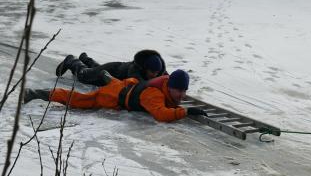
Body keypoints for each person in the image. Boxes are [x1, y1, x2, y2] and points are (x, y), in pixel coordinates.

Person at [24, 69, 208, 122]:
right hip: (112, 96)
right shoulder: (154, 95)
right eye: (180, 91)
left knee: (108, 78)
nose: (183, 95)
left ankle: (102, 74)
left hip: (124, 85)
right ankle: (38, 93)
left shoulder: (167, 85)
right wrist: (185, 111)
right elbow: (160, 114)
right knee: (80, 100)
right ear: (171, 87)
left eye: (185, 91)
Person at [55, 49, 167, 86]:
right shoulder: (135, 70)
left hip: (114, 70)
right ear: (145, 68)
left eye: (157, 72)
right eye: (152, 72)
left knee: (95, 68)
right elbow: (141, 86)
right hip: (111, 70)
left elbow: (167, 79)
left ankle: (85, 59)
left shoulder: (159, 71)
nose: (155, 75)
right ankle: (72, 60)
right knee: (84, 75)